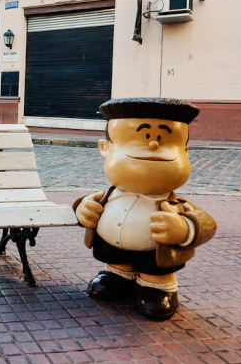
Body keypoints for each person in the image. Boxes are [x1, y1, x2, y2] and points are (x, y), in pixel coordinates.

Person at [73, 97, 216, 320]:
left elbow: (206, 223)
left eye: (164, 139)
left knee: (155, 273)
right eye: (142, 137)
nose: (153, 144)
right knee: (115, 265)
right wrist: (83, 208)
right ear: (105, 148)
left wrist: (184, 228)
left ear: (185, 151)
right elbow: (86, 203)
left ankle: (157, 287)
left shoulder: (173, 204)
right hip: (112, 251)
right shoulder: (109, 195)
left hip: (155, 259)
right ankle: (118, 275)